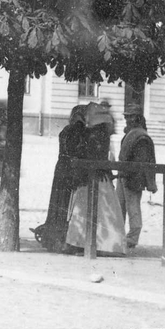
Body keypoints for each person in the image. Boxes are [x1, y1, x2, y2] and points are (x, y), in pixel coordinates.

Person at [65, 103, 125, 256]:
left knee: (86, 209)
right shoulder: (104, 135)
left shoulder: (91, 134)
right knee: (104, 210)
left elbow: (88, 153)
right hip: (101, 176)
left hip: (91, 175)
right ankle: (107, 245)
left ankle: (81, 243)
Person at [33, 105, 90, 252]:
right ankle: (62, 239)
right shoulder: (80, 130)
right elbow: (77, 151)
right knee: (67, 203)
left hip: (61, 167)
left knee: (58, 202)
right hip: (71, 168)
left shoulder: (66, 130)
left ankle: (52, 238)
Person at [118, 112, 158, 252]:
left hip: (132, 177)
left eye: (130, 117)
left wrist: (149, 181)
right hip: (124, 175)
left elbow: (143, 161)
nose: (127, 120)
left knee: (132, 207)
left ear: (137, 120)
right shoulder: (133, 134)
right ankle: (120, 235)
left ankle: (132, 238)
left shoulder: (141, 136)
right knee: (121, 206)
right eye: (126, 117)